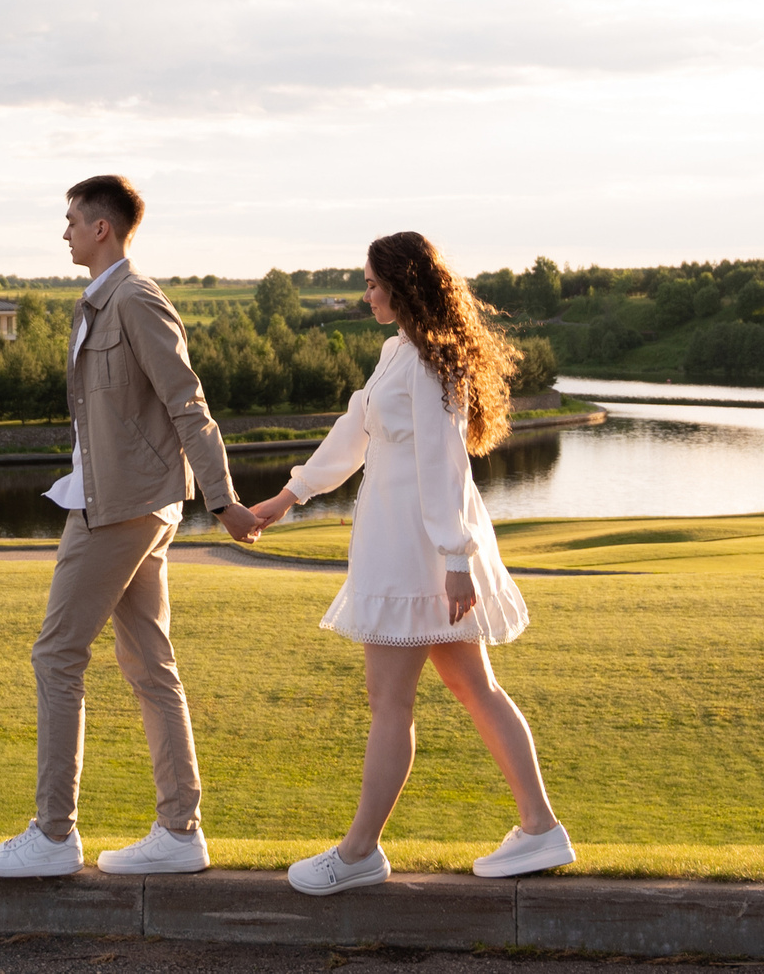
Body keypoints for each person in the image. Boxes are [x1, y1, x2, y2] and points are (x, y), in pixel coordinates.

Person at [245, 230, 574, 894]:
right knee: (469, 688)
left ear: (400, 285)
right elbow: (356, 433)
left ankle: (361, 852)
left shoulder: (428, 365)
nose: (364, 295)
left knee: (390, 701)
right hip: (404, 545)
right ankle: (540, 828)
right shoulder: (399, 353)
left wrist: (455, 557)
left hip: (417, 554)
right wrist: (289, 495)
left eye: (370, 284)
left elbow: (444, 464)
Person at [0, 175, 266, 880]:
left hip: (121, 507)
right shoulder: (98, 304)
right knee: (147, 663)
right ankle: (179, 831)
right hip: (124, 499)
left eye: (71, 220)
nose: (64, 231)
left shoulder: (134, 300)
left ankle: (52, 834)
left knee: (56, 655)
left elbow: (187, 404)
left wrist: (223, 502)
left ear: (102, 228)